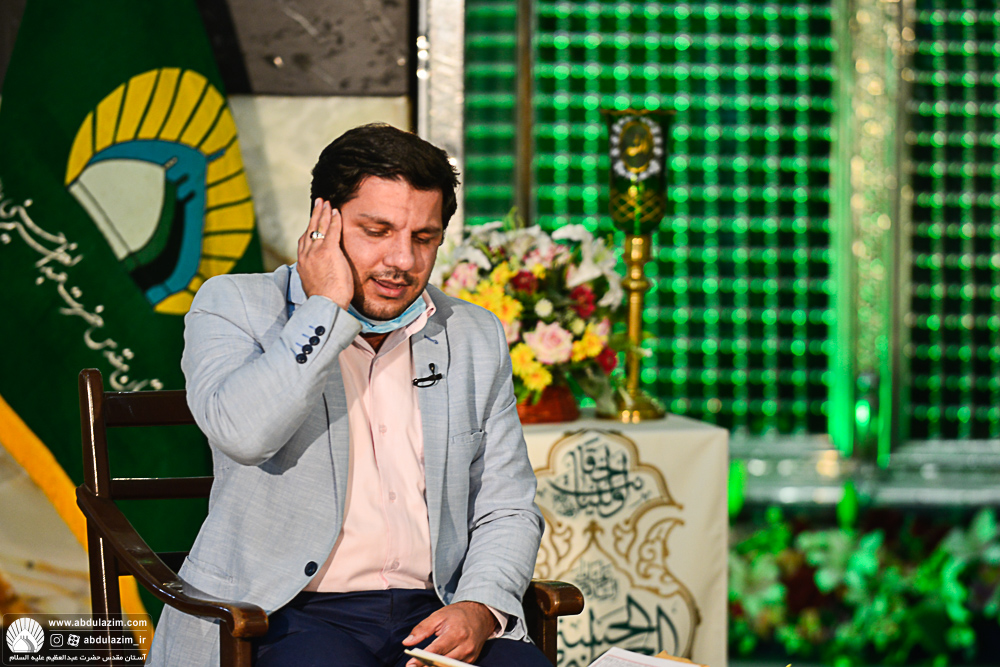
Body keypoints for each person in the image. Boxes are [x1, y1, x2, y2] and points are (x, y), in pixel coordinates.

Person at [146, 123, 547, 667]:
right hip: (282, 611)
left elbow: (507, 505)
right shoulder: (233, 305)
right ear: (323, 222)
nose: (402, 260)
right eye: (377, 231)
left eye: (423, 238)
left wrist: (479, 607)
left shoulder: (472, 333)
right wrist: (324, 309)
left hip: (436, 607)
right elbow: (244, 435)